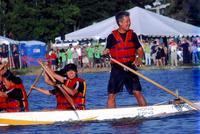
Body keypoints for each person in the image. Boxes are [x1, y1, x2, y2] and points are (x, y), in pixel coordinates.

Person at [103, 11, 147, 108]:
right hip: (117, 68)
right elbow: (106, 50)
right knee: (112, 94)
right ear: (120, 23)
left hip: (130, 67)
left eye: (129, 21)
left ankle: (146, 111)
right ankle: (111, 115)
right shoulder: (111, 37)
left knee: (137, 92)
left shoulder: (133, 35)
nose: (129, 23)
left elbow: (139, 49)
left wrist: (139, 58)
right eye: (127, 21)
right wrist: (105, 53)